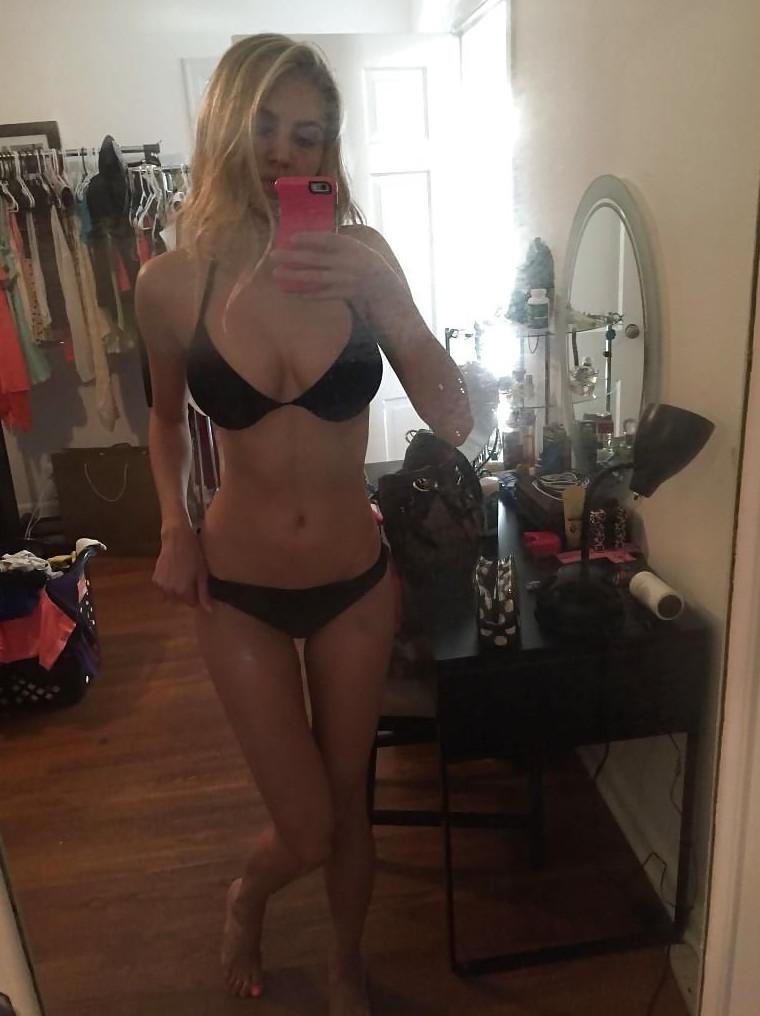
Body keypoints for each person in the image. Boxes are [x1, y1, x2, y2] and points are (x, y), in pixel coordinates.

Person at [135, 33, 472, 1014]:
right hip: (236, 590)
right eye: (265, 127)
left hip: (354, 584)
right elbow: (165, 422)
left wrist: (386, 300)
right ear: (225, 129)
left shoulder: (361, 260)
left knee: (349, 805)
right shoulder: (171, 282)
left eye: (308, 134)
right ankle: (249, 894)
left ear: (330, 149)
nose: (284, 151)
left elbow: (455, 417)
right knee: (308, 825)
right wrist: (172, 526)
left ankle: (344, 964)